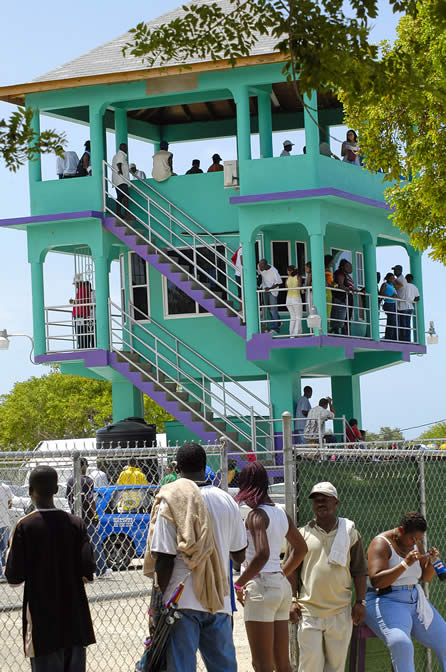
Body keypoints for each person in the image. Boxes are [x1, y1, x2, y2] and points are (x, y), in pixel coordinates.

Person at [145, 442, 247, 672]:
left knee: (181, 667)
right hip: (217, 600)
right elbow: (239, 554)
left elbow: (163, 558)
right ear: (205, 466)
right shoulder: (227, 500)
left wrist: (158, 605)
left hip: (181, 602)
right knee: (224, 667)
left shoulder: (172, 500)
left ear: (177, 469)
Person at [6, 465, 96, 672]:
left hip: (42, 623)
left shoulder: (24, 526)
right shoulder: (76, 523)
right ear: (57, 490)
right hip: (75, 620)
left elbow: (13, 578)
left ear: (30, 491)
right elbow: (88, 573)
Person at [234, 462, 307, 672]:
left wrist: (239, 585)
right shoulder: (282, 513)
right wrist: (282, 573)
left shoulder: (256, 515)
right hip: (280, 586)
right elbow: (301, 548)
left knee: (262, 664)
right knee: (282, 663)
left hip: (260, 587)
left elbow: (262, 554)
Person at [293, 482, 367, 672]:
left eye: (325, 499)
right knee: (310, 666)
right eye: (316, 500)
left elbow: (359, 571)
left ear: (336, 502)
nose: (320, 503)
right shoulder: (302, 534)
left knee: (336, 667)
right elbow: (292, 571)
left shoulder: (349, 533)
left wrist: (360, 602)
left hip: (340, 612)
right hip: (309, 612)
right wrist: (292, 600)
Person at [365, 511, 446, 672]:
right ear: (401, 530)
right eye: (412, 538)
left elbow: (426, 577)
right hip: (386, 599)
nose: (414, 543)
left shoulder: (415, 543)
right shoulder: (381, 543)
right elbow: (377, 581)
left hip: (415, 599)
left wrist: (431, 561)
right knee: (401, 644)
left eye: (419, 539)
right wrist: (405, 564)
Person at [66, 458, 109, 578]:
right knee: (95, 544)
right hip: (88, 517)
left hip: (75, 517)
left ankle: (76, 569)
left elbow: (69, 499)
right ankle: (101, 570)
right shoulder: (88, 481)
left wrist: (74, 512)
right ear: (83, 466)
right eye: (86, 465)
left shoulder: (70, 481)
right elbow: (90, 501)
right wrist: (95, 515)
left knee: (77, 544)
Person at [258, 259, 282, 335]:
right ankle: (278, 322)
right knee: (269, 308)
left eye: (262, 267)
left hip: (272, 291)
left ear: (266, 265)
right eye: (259, 266)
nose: (260, 269)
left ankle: (275, 328)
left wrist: (270, 288)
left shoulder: (274, 271)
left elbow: (279, 282)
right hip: (265, 290)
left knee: (273, 309)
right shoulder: (261, 268)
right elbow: (261, 277)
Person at [70, 275, 94, 349]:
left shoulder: (82, 289)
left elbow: (80, 302)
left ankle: (82, 346)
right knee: (83, 332)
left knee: (81, 332)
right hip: (82, 315)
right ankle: (83, 346)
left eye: (76, 284)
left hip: (80, 315)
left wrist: (73, 302)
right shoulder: (83, 289)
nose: (75, 286)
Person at [392, 264, 411, 341]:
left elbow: (394, 287)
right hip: (404, 305)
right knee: (405, 324)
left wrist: (392, 280)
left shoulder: (400, 279)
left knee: (403, 324)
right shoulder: (401, 279)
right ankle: (405, 339)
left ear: (400, 271)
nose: (394, 271)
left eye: (396, 270)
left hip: (402, 305)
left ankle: (403, 339)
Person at [112, 142, 130, 219]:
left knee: (120, 196)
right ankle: (126, 213)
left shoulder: (116, 155)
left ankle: (118, 213)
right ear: (122, 148)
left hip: (117, 180)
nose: (126, 149)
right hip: (121, 179)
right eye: (125, 147)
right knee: (126, 196)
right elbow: (119, 163)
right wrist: (120, 170)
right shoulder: (121, 154)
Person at [379, 272, 398, 340]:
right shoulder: (385, 284)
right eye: (392, 278)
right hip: (388, 304)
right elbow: (381, 293)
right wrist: (390, 297)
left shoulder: (392, 286)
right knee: (391, 320)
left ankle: (392, 336)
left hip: (393, 304)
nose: (393, 280)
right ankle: (388, 336)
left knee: (393, 320)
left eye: (393, 278)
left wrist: (395, 296)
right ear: (388, 278)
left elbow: (400, 285)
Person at [286, 265, 303, 337]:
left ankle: (291, 334)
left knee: (292, 317)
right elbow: (299, 286)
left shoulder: (288, 278)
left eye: (288, 271)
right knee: (298, 317)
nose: (287, 272)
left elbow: (286, 287)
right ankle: (296, 334)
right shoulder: (298, 277)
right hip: (296, 298)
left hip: (288, 299)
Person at [329, 269, 348, 334]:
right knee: (339, 318)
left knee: (341, 318)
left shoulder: (345, 274)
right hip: (338, 298)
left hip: (341, 299)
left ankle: (335, 332)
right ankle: (338, 333)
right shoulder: (340, 273)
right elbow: (340, 285)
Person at [0, 481, 12, 582]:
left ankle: (2, 573)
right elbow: (10, 504)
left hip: (4, 523)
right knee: (4, 549)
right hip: (4, 523)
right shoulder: (6, 487)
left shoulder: (6, 487)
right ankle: (3, 573)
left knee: (3, 551)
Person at [339, 259, 354, 334]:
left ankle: (348, 332)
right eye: (348, 266)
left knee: (349, 315)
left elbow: (350, 286)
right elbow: (340, 285)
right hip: (343, 298)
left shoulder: (347, 276)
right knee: (344, 316)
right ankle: (345, 333)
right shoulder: (340, 274)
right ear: (343, 267)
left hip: (349, 297)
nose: (350, 268)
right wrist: (346, 289)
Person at [325, 254, 334, 320]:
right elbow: (326, 283)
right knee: (327, 312)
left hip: (327, 292)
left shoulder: (326, 270)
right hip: (327, 292)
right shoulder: (327, 271)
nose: (333, 263)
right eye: (332, 261)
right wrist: (335, 285)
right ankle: (326, 329)